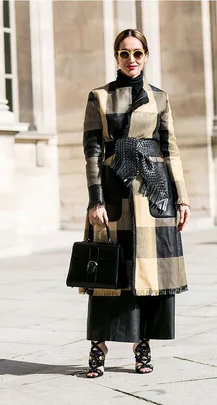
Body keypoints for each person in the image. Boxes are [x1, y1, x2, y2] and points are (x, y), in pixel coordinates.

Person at [81, 28, 191, 377]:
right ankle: (98, 344)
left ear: (146, 56)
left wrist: (183, 199)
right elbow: (92, 151)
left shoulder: (160, 98)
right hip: (114, 193)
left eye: (138, 53)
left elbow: (170, 149)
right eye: (124, 53)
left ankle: (142, 344)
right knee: (110, 271)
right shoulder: (99, 96)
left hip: (154, 194)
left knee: (147, 274)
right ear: (116, 57)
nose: (131, 60)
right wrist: (95, 199)